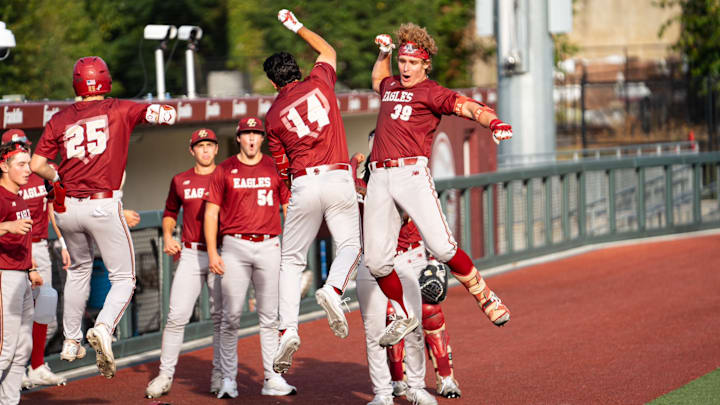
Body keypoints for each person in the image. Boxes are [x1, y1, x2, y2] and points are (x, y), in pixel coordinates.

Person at [365, 24, 513, 345]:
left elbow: (470, 107)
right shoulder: (390, 83)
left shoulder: (432, 92)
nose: (405, 68)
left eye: (413, 63)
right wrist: (384, 53)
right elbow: (378, 79)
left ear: (425, 64)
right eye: (403, 61)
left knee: (443, 246)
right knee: (376, 262)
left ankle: (485, 296)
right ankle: (404, 315)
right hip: (378, 175)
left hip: (411, 174)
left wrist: (495, 122)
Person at [29, 56, 177, 379]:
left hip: (68, 209)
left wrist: (57, 176)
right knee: (124, 278)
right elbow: (167, 115)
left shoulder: (60, 118)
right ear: (106, 80)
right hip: (102, 203)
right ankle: (104, 327)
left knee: (79, 270)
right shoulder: (120, 108)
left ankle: (70, 341)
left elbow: (36, 164)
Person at [263, 9, 362, 374]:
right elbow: (329, 50)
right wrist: (298, 27)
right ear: (298, 71)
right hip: (337, 175)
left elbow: (281, 164)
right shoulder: (320, 82)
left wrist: (289, 197)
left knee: (290, 261)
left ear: (273, 83)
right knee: (351, 244)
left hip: (304, 182)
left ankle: (288, 328)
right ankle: (334, 289)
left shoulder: (273, 116)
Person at [204, 117, 295, 398]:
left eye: (257, 134)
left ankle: (272, 378)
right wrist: (211, 252)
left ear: (262, 138)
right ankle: (228, 380)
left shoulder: (275, 166)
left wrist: (290, 246)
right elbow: (211, 212)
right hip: (235, 246)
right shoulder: (225, 169)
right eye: (247, 134)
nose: (252, 138)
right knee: (230, 317)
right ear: (239, 138)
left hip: (269, 244)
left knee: (269, 317)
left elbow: (287, 207)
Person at [352, 152, 438, 405]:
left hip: (400, 261)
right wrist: (353, 163)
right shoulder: (360, 189)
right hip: (370, 263)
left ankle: (417, 387)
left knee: (412, 326)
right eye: (377, 166)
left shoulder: (400, 189)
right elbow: (348, 184)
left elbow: (411, 214)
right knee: (374, 332)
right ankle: (382, 393)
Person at [145, 128, 223, 398]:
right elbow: (169, 212)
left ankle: (220, 374)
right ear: (192, 150)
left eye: (209, 145)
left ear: (216, 149)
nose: (205, 150)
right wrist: (168, 235)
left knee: (221, 319)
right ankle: (165, 375)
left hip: (221, 254)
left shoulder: (227, 177)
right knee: (176, 316)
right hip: (190, 253)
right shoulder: (180, 180)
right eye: (199, 145)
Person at [1, 130, 70, 389]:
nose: (21, 152)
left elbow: (54, 207)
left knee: (45, 309)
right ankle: (15, 372)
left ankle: (36, 365)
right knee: (12, 324)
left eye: (23, 147)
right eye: (14, 147)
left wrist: (63, 242)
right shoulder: (6, 181)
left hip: (37, 246)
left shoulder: (38, 172)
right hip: (9, 255)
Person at [385, 226, 462, 399]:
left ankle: (446, 378)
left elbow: (437, 234)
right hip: (392, 266)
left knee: (431, 313)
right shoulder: (379, 206)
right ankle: (397, 379)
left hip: (419, 263)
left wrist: (435, 263)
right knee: (392, 316)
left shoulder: (418, 202)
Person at [0, 141, 44, 404]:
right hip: (5, 276)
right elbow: (10, 228)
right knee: (5, 349)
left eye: (28, 164)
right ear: (3, 166)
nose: (28, 170)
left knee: (20, 350)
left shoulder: (18, 196)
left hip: (21, 274)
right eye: (21, 165)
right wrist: (6, 226)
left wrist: (32, 268)